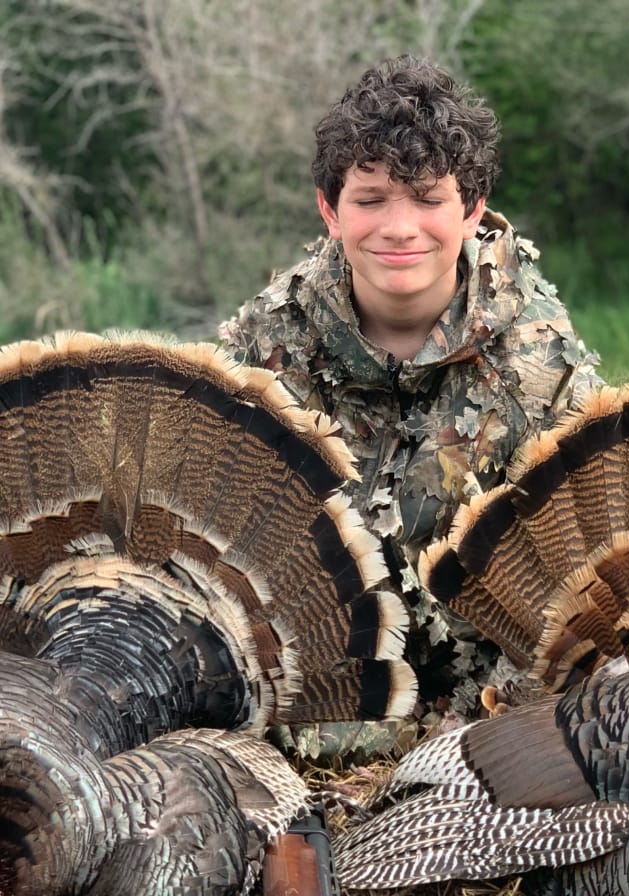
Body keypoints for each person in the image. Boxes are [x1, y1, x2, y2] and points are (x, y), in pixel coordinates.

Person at [220, 55, 603, 762]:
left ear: (472, 210)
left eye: (427, 198)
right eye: (370, 200)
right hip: (306, 714)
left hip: (492, 730)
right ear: (330, 211)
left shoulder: (541, 364)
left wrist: (486, 733)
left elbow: (574, 590)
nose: (400, 227)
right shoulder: (264, 349)